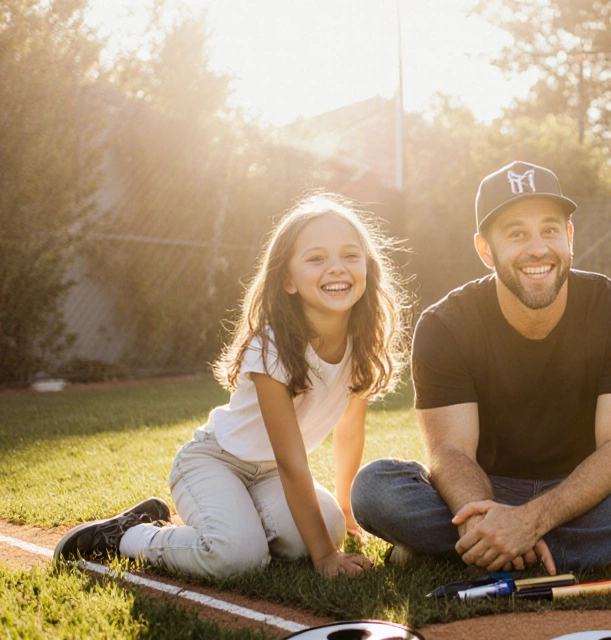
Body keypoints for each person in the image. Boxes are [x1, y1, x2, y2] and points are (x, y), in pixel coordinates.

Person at [352, 161, 611, 576]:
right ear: (485, 250)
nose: (538, 248)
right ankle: (598, 552)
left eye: (549, 229)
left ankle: (470, 552)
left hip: (588, 494)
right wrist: (479, 518)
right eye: (516, 233)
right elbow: (451, 452)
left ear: (570, 236)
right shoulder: (444, 325)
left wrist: (530, 522)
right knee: (375, 487)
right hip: (489, 488)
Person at [54, 193, 411, 579]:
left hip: (270, 474)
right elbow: (293, 462)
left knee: (328, 526)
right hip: (215, 461)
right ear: (287, 279)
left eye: (350, 256)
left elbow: (349, 431)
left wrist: (343, 506)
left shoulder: (362, 343)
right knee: (237, 559)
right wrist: (325, 556)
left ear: (368, 268)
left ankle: (242, 524)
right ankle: (132, 534)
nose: (337, 268)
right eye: (316, 258)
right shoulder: (272, 345)